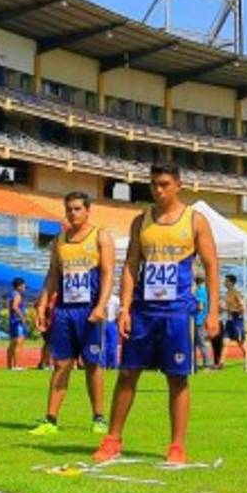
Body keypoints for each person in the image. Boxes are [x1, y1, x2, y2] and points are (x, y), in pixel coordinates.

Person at [93, 163, 219, 465]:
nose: (158, 190)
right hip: (144, 311)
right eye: (154, 184)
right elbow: (131, 265)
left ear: (178, 185)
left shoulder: (195, 220)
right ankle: (112, 440)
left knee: (177, 378)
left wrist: (214, 310)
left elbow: (212, 265)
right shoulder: (141, 221)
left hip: (178, 312)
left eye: (164, 184)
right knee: (127, 373)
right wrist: (125, 308)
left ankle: (177, 446)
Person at [29, 191, 115, 435]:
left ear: (88, 210)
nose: (73, 213)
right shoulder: (60, 240)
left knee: (93, 363)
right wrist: (43, 304)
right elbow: (53, 274)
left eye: (78, 209)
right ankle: (50, 420)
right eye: (69, 209)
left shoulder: (100, 236)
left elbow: (108, 273)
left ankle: (99, 418)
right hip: (65, 310)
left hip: (89, 309)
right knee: (61, 363)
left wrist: (101, 305)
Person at [221, 273, 247, 371]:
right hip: (229, 321)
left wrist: (234, 311)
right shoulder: (227, 293)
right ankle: (221, 364)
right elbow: (227, 307)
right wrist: (223, 309)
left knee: (241, 343)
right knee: (225, 343)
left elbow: (243, 306)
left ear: (231, 282)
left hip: (237, 321)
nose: (224, 282)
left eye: (226, 281)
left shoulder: (236, 293)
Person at [7, 277, 28, 370]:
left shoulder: (12, 294)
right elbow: (15, 307)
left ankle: (10, 365)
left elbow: (10, 307)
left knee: (12, 343)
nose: (24, 287)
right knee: (19, 343)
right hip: (17, 322)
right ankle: (17, 365)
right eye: (23, 285)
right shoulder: (17, 295)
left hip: (13, 320)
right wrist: (22, 317)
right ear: (19, 286)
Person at [193, 276, 213, 370]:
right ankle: (194, 363)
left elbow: (200, 306)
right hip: (199, 319)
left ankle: (207, 364)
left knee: (201, 343)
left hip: (198, 320)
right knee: (196, 343)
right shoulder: (203, 290)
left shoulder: (200, 291)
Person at [104, 294, 121, 370]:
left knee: (112, 345)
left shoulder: (115, 299)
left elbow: (118, 312)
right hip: (100, 322)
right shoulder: (99, 297)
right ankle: (103, 364)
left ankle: (112, 364)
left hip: (111, 322)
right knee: (101, 345)